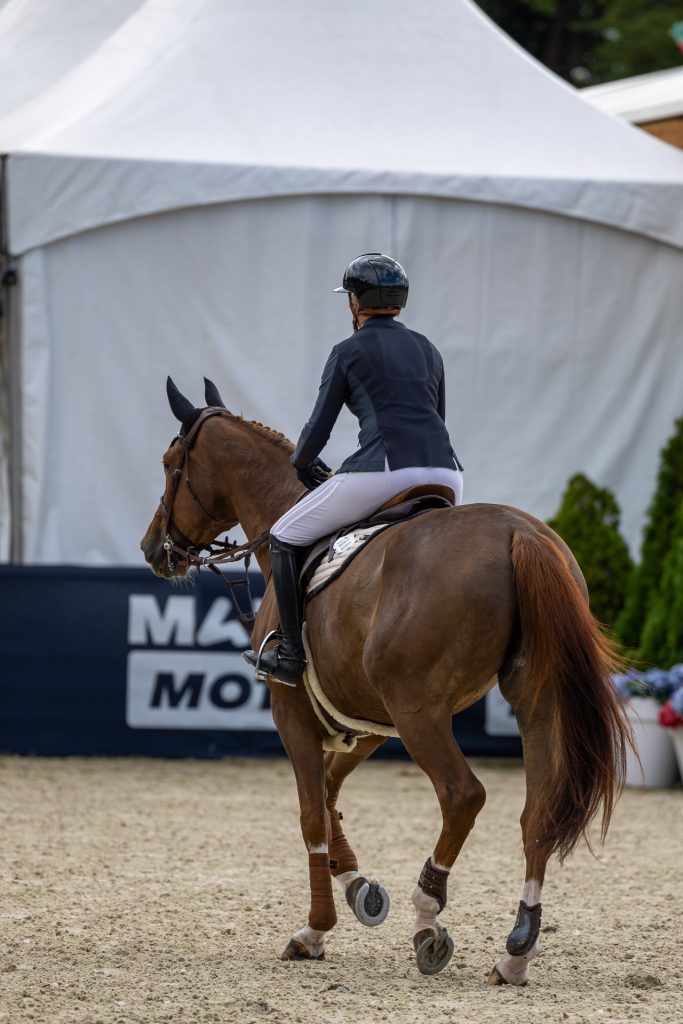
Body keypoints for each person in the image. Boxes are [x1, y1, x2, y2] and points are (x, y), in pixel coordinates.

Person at [243, 252, 464, 686]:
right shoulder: (428, 349)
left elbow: (317, 429)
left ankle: (290, 653)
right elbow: (435, 415)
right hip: (448, 473)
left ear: (355, 302)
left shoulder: (347, 351)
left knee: (284, 536)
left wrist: (302, 464)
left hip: (383, 471)